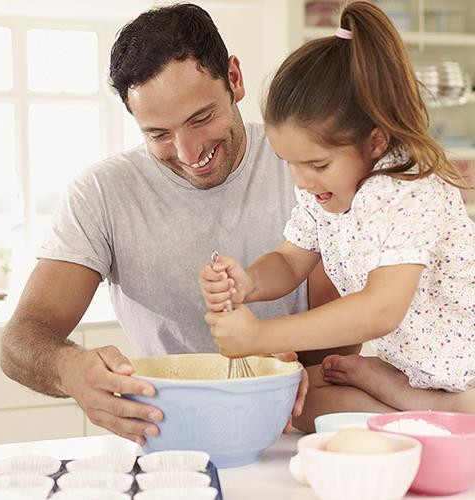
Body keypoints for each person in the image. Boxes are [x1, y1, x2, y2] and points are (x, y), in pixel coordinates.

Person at [0, 3, 349, 445]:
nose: (188, 153)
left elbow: (347, 317)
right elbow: (20, 340)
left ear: (235, 80)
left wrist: (287, 369)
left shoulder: (302, 164)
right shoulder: (102, 194)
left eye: (201, 118)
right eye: (158, 135)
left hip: (295, 429)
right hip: (165, 439)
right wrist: (70, 372)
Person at [200, 0, 475, 432]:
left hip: (465, 369)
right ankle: (415, 403)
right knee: (294, 398)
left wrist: (262, 337)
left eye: (317, 164)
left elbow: (380, 310)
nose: (302, 180)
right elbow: (290, 261)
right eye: (289, 162)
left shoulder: (406, 191)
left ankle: (441, 413)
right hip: (413, 366)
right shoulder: (323, 192)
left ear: (376, 142)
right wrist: (249, 281)